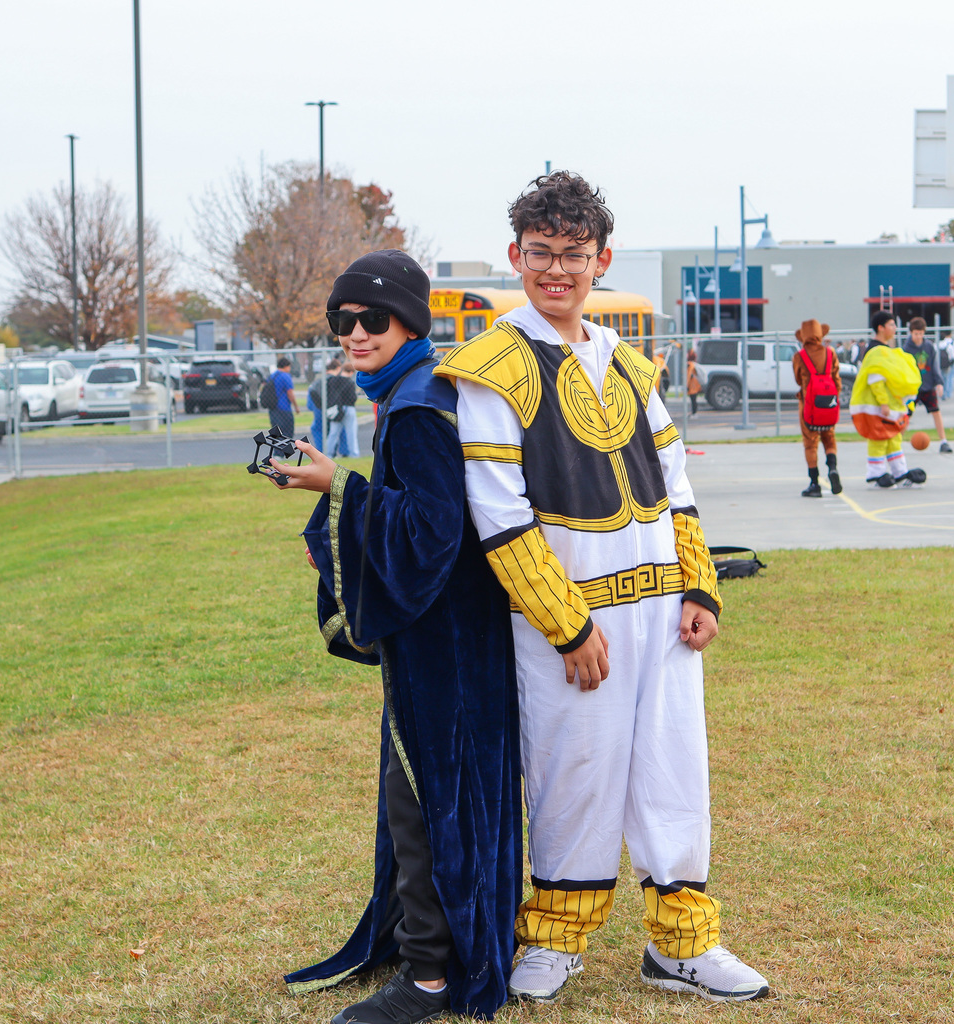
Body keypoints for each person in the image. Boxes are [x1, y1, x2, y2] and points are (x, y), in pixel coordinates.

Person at [436, 172, 769, 1006]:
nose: (557, 270)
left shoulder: (629, 366)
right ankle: (552, 938)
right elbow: (498, 515)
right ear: (516, 256)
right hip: (573, 622)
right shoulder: (487, 368)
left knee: (674, 772)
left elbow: (678, 486)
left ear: (602, 260)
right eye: (541, 253)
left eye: (574, 255)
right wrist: (565, 624)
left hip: (664, 613)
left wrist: (702, 589)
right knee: (571, 775)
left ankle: (684, 943)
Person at [271, 250, 522, 1024]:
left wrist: (336, 489)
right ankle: (443, 951)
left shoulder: (416, 406)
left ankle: (430, 980)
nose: (354, 333)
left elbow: (431, 533)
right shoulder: (425, 385)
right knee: (442, 796)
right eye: (341, 322)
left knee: (423, 802)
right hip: (464, 637)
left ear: (410, 321)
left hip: (444, 645)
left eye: (371, 319)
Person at [850, 311, 926, 488]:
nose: (895, 328)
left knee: (893, 438)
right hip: (878, 407)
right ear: (880, 328)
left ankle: (899, 472)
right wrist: (883, 402)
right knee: (879, 439)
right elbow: (875, 379)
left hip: (892, 406)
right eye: (891, 325)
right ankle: (876, 474)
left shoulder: (886, 351)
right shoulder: (874, 351)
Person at [792, 319, 843, 497]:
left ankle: (815, 483)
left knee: (810, 443)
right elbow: (837, 378)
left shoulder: (800, 356)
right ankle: (833, 468)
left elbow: (798, 379)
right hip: (829, 402)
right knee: (829, 438)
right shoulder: (830, 353)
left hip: (809, 405)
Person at [903, 317, 952, 453]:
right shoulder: (906, 349)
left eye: (920, 333)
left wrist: (939, 383)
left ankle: (943, 441)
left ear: (924, 332)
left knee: (936, 411)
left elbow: (935, 366)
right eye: (915, 333)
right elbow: (904, 369)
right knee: (906, 415)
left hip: (928, 385)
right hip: (912, 388)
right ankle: (896, 444)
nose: (918, 336)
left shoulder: (929, 346)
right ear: (911, 333)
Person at [326, 358, 360, 458]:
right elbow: (352, 398)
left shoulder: (334, 380)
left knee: (333, 433)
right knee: (351, 433)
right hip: (349, 408)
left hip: (336, 409)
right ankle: (354, 454)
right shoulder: (350, 382)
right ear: (351, 372)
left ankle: (328, 454)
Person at [269, 356, 300, 437]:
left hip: (273, 409)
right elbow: (290, 393)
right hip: (284, 409)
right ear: (286, 366)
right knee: (287, 435)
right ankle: (285, 450)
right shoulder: (285, 376)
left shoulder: (272, 376)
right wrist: (296, 406)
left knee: (276, 436)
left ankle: (277, 450)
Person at [938, 333, 954, 399]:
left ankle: (940, 394)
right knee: (947, 379)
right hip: (947, 365)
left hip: (938, 365)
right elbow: (953, 355)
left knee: (939, 379)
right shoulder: (948, 345)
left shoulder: (936, 345)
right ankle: (946, 393)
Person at [686, 349, 703, 414]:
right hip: (695, 384)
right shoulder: (694, 364)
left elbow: (688, 375)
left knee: (693, 399)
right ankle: (694, 412)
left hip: (692, 385)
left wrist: (686, 385)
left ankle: (694, 412)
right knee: (694, 399)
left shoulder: (690, 364)